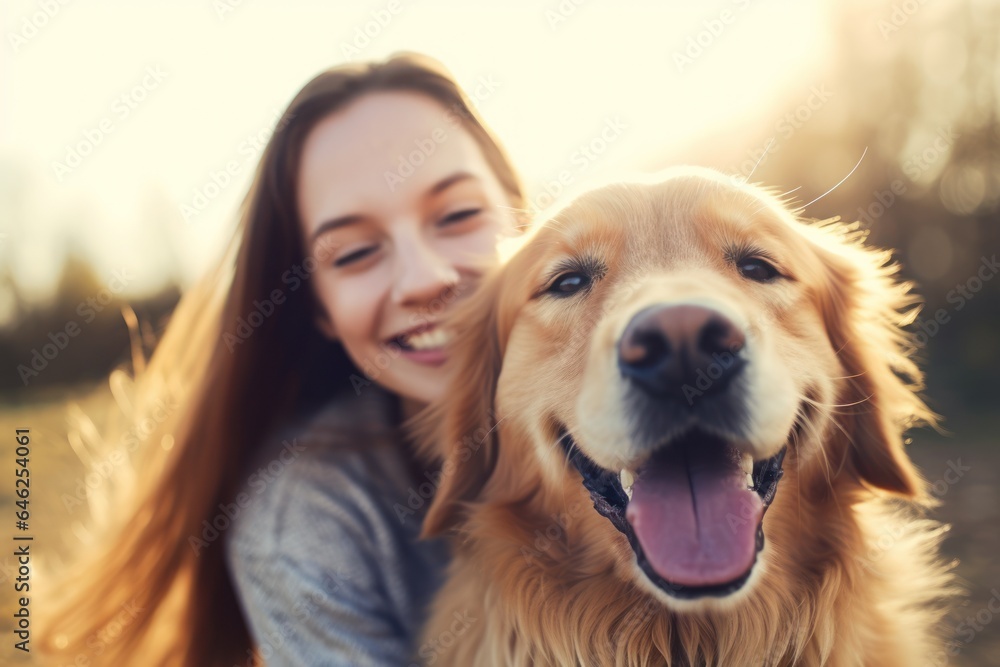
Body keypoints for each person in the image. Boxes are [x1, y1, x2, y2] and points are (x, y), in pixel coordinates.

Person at [39, 52, 526, 667]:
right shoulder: (302, 522)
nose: (424, 278)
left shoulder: (651, 357)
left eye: (457, 215)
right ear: (318, 306)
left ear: (524, 216)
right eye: (352, 254)